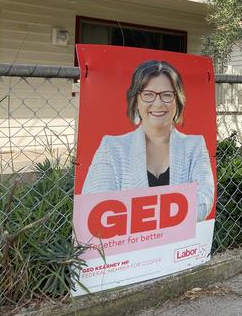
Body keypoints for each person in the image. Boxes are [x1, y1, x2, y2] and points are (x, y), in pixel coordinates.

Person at [82, 60, 214, 221]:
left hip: (180, 245)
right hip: (128, 246)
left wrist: (141, 220)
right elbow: (96, 208)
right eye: (148, 94)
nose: (157, 104)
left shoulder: (195, 146)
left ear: (177, 100)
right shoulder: (112, 148)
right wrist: (170, 218)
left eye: (167, 95)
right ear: (136, 100)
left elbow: (203, 200)